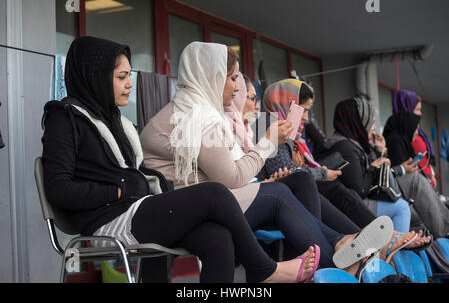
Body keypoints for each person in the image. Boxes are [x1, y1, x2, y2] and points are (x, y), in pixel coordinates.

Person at [41, 36, 324, 284]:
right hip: (110, 221)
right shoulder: (64, 119)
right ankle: (264, 270)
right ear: (97, 78)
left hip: (136, 208)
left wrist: (135, 189)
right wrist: (117, 191)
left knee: (218, 238)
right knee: (214, 192)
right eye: (121, 77)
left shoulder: (113, 119)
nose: (130, 84)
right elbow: (58, 188)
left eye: (130, 75)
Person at [140, 41, 423, 274]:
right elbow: (231, 177)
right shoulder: (201, 116)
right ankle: (337, 264)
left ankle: (340, 249)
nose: (238, 89)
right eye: (233, 78)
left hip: (200, 200)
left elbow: (228, 172)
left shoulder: (193, 110)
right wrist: (268, 143)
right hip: (189, 207)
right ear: (211, 77)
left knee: (296, 183)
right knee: (280, 193)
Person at [257, 80, 379, 230]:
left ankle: (367, 235)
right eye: (303, 110)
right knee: (332, 189)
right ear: (289, 104)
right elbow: (284, 170)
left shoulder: (285, 128)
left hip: (287, 192)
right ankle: (367, 236)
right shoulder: (269, 124)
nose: (306, 118)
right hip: (277, 195)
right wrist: (322, 173)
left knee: (338, 191)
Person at [318, 96, 414, 233]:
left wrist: (379, 151)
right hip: (350, 206)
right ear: (357, 122)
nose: (374, 128)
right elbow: (361, 189)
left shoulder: (351, 143)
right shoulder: (345, 147)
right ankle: (394, 250)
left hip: (353, 202)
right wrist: (375, 165)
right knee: (402, 208)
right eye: (370, 122)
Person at [383, 111, 449, 238]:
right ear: (407, 126)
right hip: (399, 196)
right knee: (417, 182)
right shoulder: (395, 141)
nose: (417, 132)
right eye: (415, 128)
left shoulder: (402, 142)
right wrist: (404, 169)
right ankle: (445, 229)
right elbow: (402, 176)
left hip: (405, 195)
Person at [393, 90, 437, 189]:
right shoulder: (398, 138)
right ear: (407, 110)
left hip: (423, 180)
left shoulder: (417, 133)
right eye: (417, 109)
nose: (420, 114)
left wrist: (431, 174)